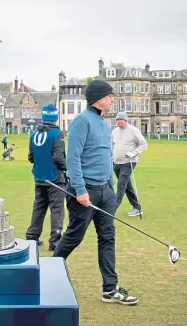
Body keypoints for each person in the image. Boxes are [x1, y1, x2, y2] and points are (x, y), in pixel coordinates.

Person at [53, 79, 139, 306]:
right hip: (84, 191)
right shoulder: (82, 122)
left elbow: (104, 155)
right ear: (99, 98)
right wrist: (80, 190)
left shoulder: (103, 124)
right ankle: (48, 274)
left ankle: (109, 289)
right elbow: (73, 159)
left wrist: (110, 184)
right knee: (74, 236)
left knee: (107, 238)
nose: (112, 99)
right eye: (109, 96)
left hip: (105, 190)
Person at [25, 104, 66, 251]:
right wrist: (67, 168)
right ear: (55, 118)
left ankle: (32, 237)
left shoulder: (34, 134)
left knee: (39, 208)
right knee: (57, 210)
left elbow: (31, 157)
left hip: (39, 177)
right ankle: (55, 242)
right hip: (54, 178)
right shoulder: (57, 134)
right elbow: (58, 158)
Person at [111, 111, 148, 216]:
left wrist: (134, 153)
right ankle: (137, 207)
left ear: (126, 120)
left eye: (121, 120)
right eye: (117, 120)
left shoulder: (133, 130)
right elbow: (112, 146)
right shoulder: (114, 132)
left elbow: (144, 144)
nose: (119, 122)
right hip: (116, 163)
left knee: (121, 185)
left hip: (129, 162)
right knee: (127, 186)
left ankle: (111, 210)